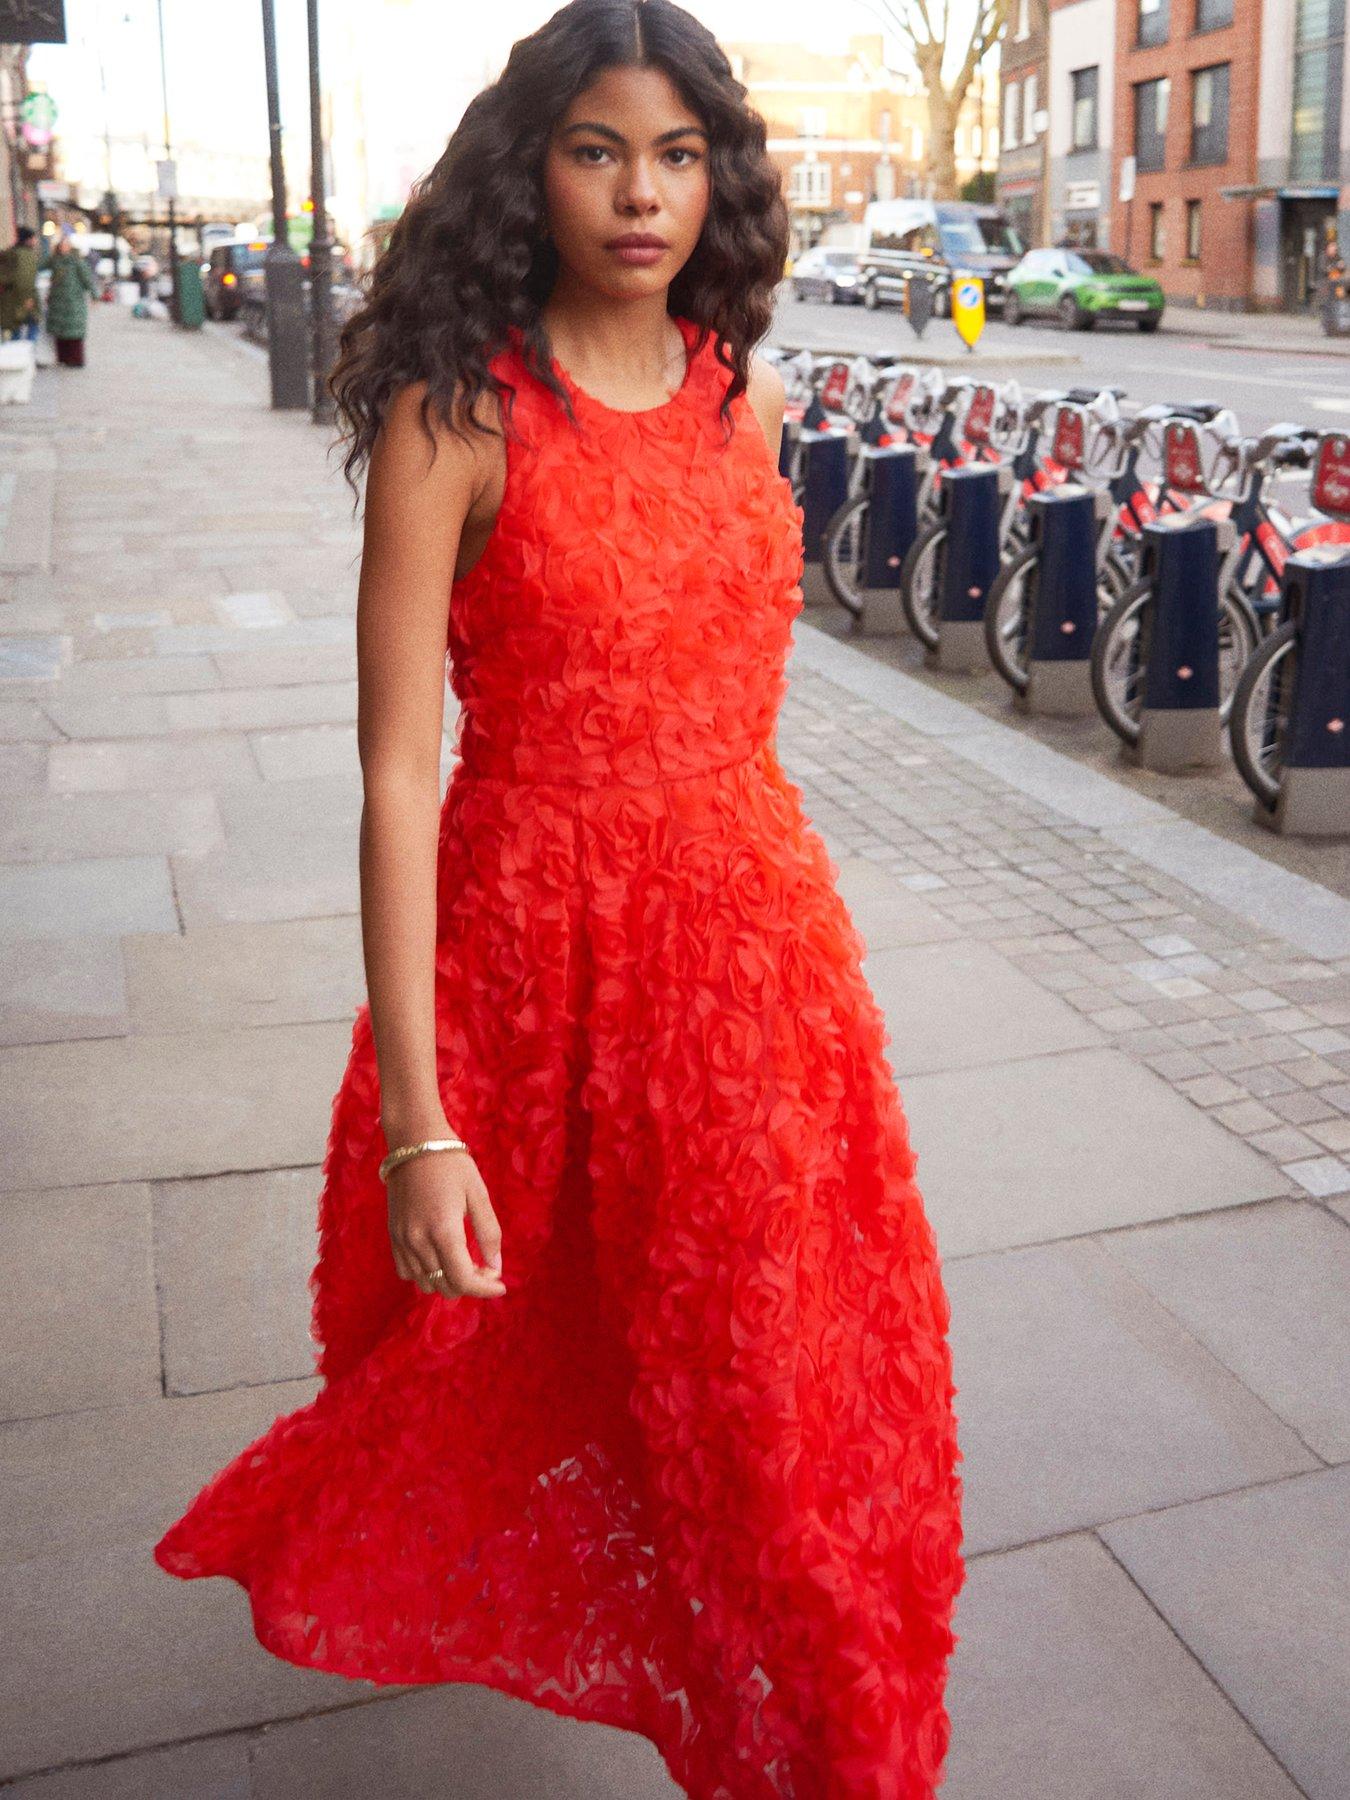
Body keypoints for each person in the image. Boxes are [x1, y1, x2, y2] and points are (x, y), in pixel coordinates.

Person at [152, 1, 966, 1793]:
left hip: (752, 961)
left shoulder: (737, 387)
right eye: (600, 147)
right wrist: (418, 1130)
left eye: (679, 154)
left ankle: (822, 1739)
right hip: (536, 954)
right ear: (533, 165)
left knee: (779, 1393)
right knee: (552, 1369)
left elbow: (729, 663)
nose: (641, 191)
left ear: (720, 179)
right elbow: (393, 772)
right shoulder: (460, 411)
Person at [43, 231, 95, 367]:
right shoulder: (54, 260)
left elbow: (87, 279)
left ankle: (76, 360)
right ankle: (63, 358)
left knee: (74, 333)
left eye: (66, 245)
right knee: (59, 333)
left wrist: (95, 295)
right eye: (61, 245)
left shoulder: (77, 261)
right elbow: (40, 266)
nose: (63, 248)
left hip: (73, 303)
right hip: (57, 302)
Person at [0, 224, 40, 340]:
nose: (36, 241)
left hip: (8, 301)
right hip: (22, 301)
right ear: (28, 240)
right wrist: (28, 299)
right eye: (34, 238)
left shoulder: (9, 252)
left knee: (13, 333)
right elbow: (24, 280)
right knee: (31, 328)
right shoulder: (26, 256)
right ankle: (26, 355)